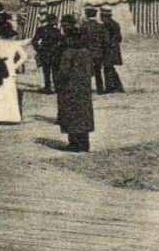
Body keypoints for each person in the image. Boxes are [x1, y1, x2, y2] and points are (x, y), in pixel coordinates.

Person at [55, 15, 95, 151]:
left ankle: (74, 144)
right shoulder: (86, 52)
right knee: (83, 115)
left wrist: (60, 84)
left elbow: (63, 73)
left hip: (70, 89)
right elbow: (92, 72)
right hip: (84, 89)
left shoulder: (68, 53)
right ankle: (84, 144)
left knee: (71, 115)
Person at [0, 15, 29, 125]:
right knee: (11, 94)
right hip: (10, 70)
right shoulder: (14, 43)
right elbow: (24, 57)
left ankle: (2, 117)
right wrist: (14, 66)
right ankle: (13, 117)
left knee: (0, 93)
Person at [33, 11, 62, 93]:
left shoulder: (41, 30)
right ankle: (57, 88)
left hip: (45, 52)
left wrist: (39, 50)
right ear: (53, 21)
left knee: (46, 72)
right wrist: (59, 49)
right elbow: (61, 42)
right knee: (55, 71)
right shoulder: (56, 31)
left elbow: (34, 41)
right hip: (55, 53)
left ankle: (47, 88)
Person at [98, 8, 124, 93]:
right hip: (114, 50)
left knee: (108, 68)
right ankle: (118, 87)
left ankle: (111, 88)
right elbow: (119, 38)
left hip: (108, 50)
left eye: (101, 16)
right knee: (110, 68)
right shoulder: (116, 24)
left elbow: (106, 39)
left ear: (104, 16)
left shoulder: (106, 25)